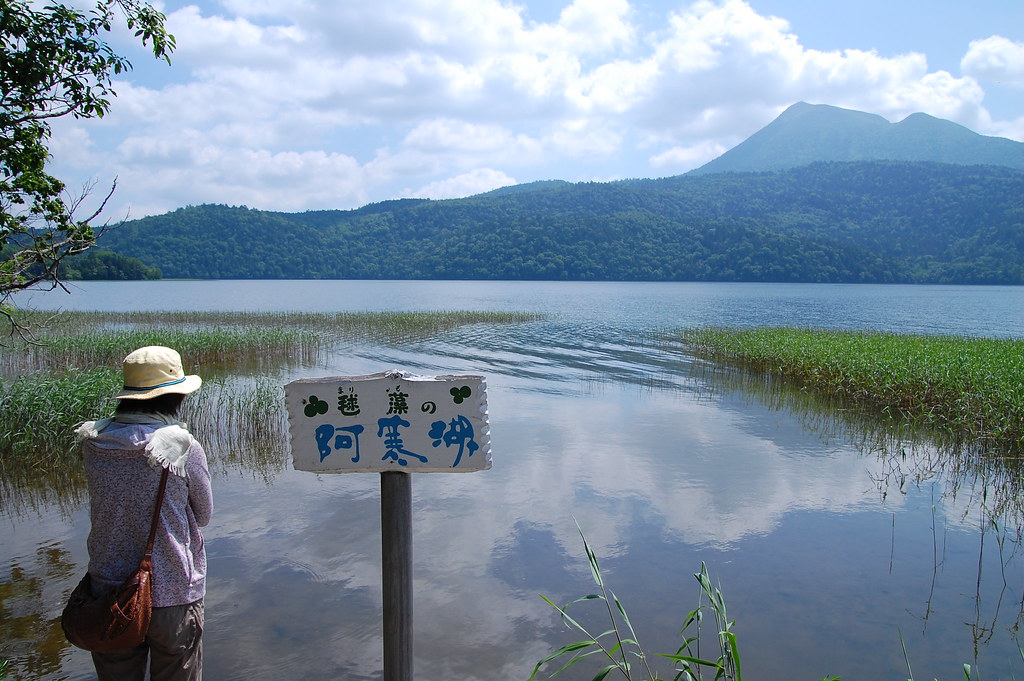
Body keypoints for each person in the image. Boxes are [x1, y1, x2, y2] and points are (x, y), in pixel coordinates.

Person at [75, 346, 213, 681]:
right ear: (173, 398)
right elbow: (205, 514)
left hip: (109, 591)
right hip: (173, 591)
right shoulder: (181, 446)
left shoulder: (93, 440)